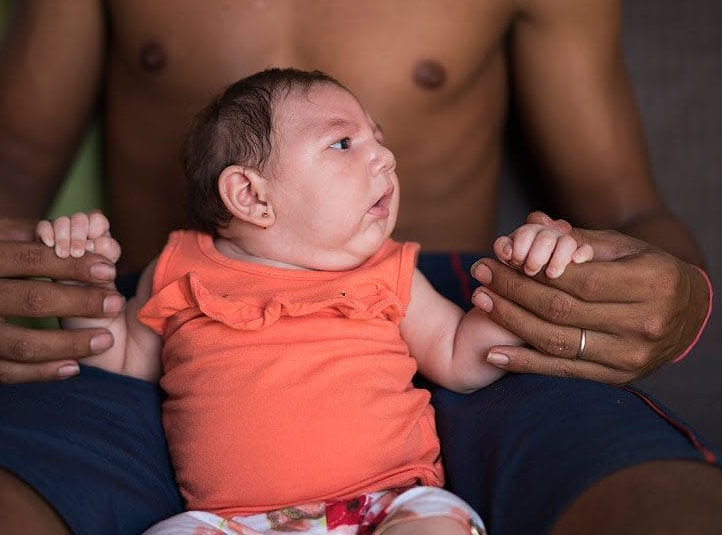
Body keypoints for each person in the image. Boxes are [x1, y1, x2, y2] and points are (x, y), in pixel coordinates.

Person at [0, 0, 719, 534]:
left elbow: (624, 202)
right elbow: (7, 160)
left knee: (669, 513)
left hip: (457, 316)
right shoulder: (165, 288)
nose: (379, 158)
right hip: (166, 327)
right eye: (350, 142)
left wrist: (685, 293)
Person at [35, 68, 594, 535]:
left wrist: (532, 275)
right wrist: (80, 282)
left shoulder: (391, 271)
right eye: (344, 143)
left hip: (389, 505)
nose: (385, 158)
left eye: (378, 138)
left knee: (437, 525)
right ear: (252, 196)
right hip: (230, 523)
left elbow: (462, 358)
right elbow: (120, 360)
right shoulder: (182, 269)